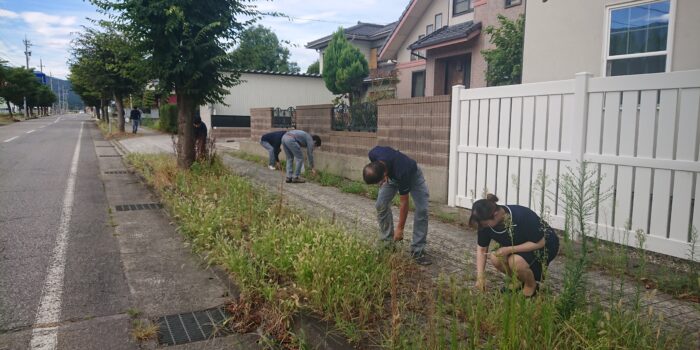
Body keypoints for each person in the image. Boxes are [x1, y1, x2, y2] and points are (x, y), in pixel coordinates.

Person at [469, 194, 559, 297]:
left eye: (484, 224)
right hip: (519, 244)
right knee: (495, 257)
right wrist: (480, 277)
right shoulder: (485, 224)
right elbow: (482, 249)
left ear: (496, 214)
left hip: (544, 245)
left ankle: (531, 286)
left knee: (515, 261)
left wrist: (509, 249)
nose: (482, 227)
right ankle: (518, 281)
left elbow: (540, 242)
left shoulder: (522, 215)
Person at [363, 146, 431, 265]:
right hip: (391, 175)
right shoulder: (373, 154)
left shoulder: (402, 171)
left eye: (379, 182)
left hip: (412, 175)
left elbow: (404, 203)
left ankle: (417, 251)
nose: (379, 185)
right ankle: (387, 244)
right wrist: (387, 179)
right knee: (380, 204)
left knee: (422, 209)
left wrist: (400, 229)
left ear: (384, 174)